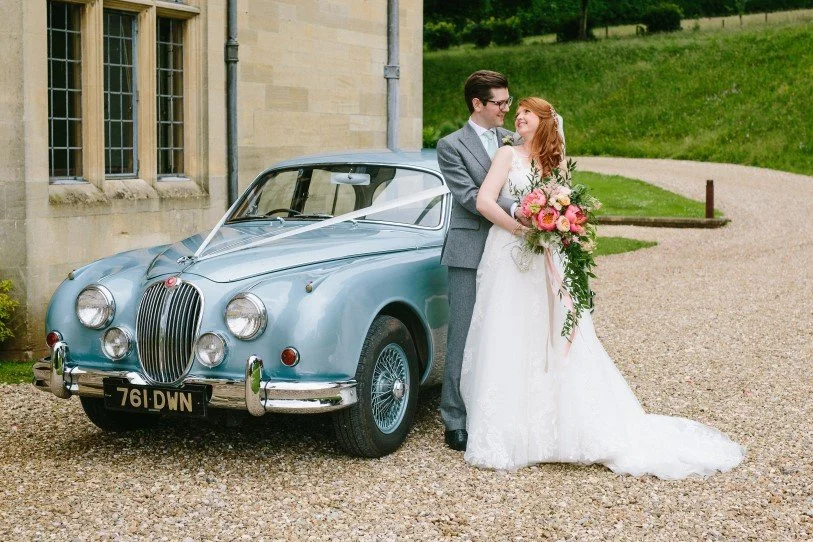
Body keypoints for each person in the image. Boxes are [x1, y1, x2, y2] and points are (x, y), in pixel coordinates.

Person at [460, 97, 746, 478]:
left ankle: (560, 426)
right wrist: (522, 229)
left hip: (546, 254)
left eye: (527, 112)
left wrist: (557, 226)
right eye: (518, 113)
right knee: (509, 329)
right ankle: (511, 430)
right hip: (509, 253)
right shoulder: (506, 155)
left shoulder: (554, 164)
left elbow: (565, 205)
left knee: (552, 331)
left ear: (545, 121)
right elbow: (484, 201)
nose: (519, 117)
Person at [436, 70, 528, 452]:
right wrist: (525, 208)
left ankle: (499, 409)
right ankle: (454, 418)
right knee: (463, 332)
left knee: (506, 330)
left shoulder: (513, 141)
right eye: (500, 103)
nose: (507, 108)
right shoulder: (450, 145)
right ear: (478, 104)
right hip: (469, 249)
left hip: (511, 251)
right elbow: (470, 196)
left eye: (508, 101)